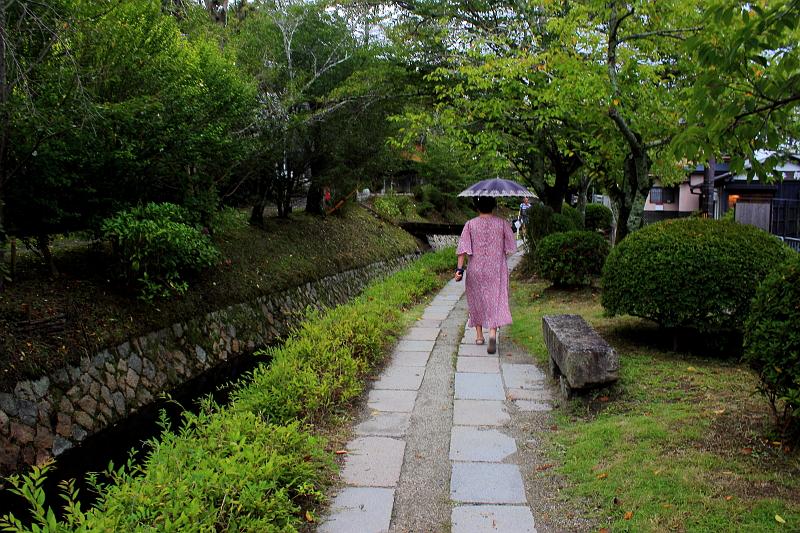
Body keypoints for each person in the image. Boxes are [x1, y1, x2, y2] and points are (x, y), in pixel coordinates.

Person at [454, 196, 516, 354]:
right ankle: (493, 335)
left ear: (477, 207)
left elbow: (462, 249)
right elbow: (511, 247)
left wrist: (459, 270)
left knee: (477, 299)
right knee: (495, 299)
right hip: (496, 269)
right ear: (493, 206)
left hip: (476, 269)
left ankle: (479, 335)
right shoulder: (502, 223)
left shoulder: (470, 224)